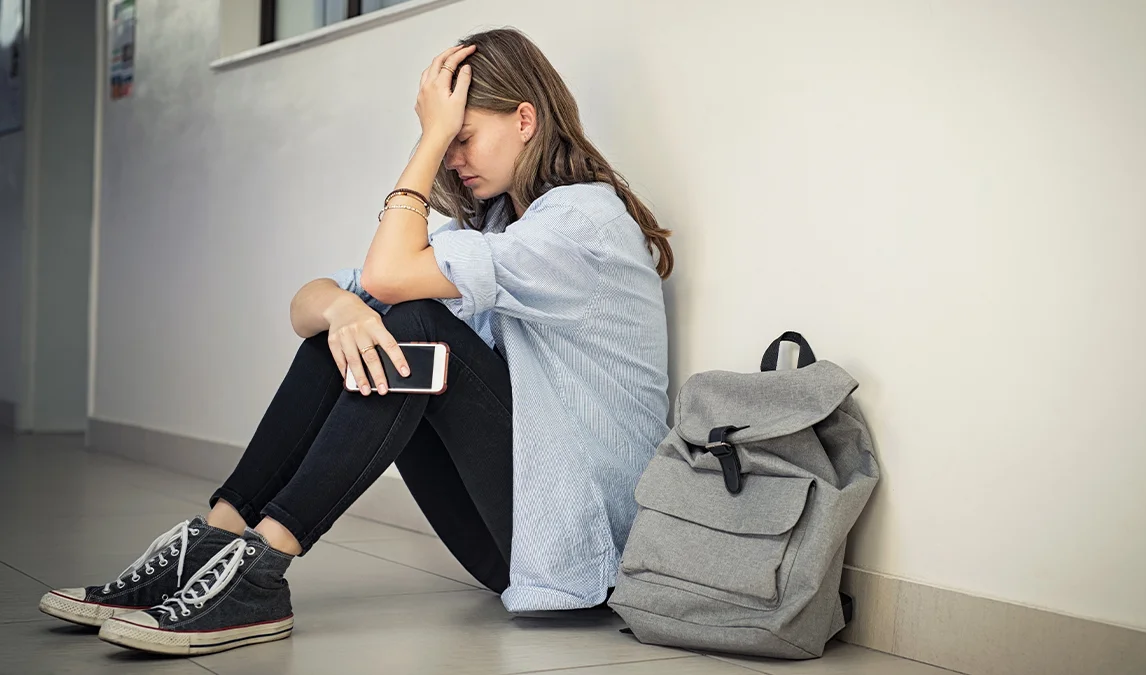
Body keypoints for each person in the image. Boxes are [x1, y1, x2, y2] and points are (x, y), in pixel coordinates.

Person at [37, 27, 673, 656]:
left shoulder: (583, 220)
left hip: (585, 545)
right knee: (345, 332)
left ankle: (261, 571)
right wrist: (342, 310)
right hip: (514, 541)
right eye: (445, 144)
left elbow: (388, 277)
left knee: (413, 325)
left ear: (525, 120)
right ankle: (214, 542)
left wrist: (427, 139)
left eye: (462, 138)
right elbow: (307, 305)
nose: (452, 158)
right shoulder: (496, 226)